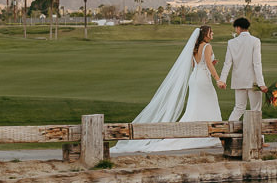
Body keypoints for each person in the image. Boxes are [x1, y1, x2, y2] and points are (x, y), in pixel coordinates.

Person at [110, 25, 226, 154]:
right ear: (205, 34)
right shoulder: (207, 46)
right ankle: (210, 135)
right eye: (211, 32)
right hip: (203, 80)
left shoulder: (195, 47)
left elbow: (195, 64)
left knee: (195, 106)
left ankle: (202, 134)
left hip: (194, 79)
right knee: (209, 104)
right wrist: (218, 79)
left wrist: (208, 63)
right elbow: (208, 64)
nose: (213, 34)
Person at [218, 17, 265, 121]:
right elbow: (257, 63)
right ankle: (257, 136)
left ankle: (229, 133)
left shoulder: (231, 42)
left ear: (238, 28)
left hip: (238, 80)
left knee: (239, 108)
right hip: (253, 82)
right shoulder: (255, 41)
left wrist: (222, 80)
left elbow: (227, 63)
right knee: (256, 110)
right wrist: (261, 83)